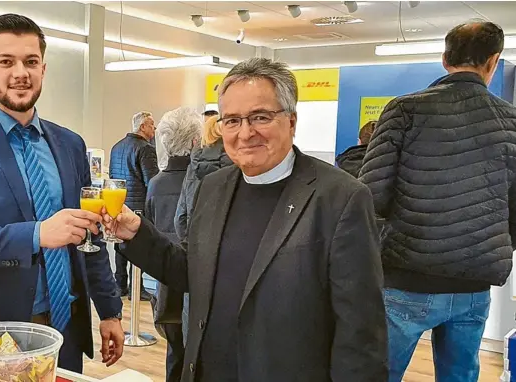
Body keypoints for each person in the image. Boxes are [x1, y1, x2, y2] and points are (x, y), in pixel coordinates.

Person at [105, 58, 387, 382]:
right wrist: (136, 233)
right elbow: (192, 271)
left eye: (260, 117)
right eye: (232, 120)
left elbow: (362, 334)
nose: (245, 133)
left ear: (291, 121)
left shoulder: (340, 198)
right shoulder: (213, 186)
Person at [0, 14, 124, 373]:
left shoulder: (69, 144)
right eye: (6, 62)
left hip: (66, 325)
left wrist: (110, 310)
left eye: (31, 62)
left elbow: (88, 233)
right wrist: (37, 234)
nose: (21, 73)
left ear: (43, 69)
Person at [359, 21, 516, 382]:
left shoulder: (404, 110)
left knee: (377, 373)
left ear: (445, 59)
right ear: (493, 62)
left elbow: (372, 194)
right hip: (475, 283)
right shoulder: (511, 121)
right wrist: (489, 244)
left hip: (407, 276)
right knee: (460, 376)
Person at [145, 107, 201, 382]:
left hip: (163, 278)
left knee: (174, 348)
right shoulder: (206, 183)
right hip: (195, 276)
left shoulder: (156, 184)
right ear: (195, 141)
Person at [109, 111, 158, 300]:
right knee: (138, 246)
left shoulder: (116, 147)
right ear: (143, 126)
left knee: (119, 246)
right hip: (138, 206)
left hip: (119, 204)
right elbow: (151, 181)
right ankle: (137, 289)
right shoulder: (145, 149)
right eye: (152, 125)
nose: (154, 129)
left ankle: (120, 285)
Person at [174, 114, 233, 241]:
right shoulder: (235, 165)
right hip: (226, 239)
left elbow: (180, 216)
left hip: (196, 238)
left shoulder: (192, 167)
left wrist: (188, 242)